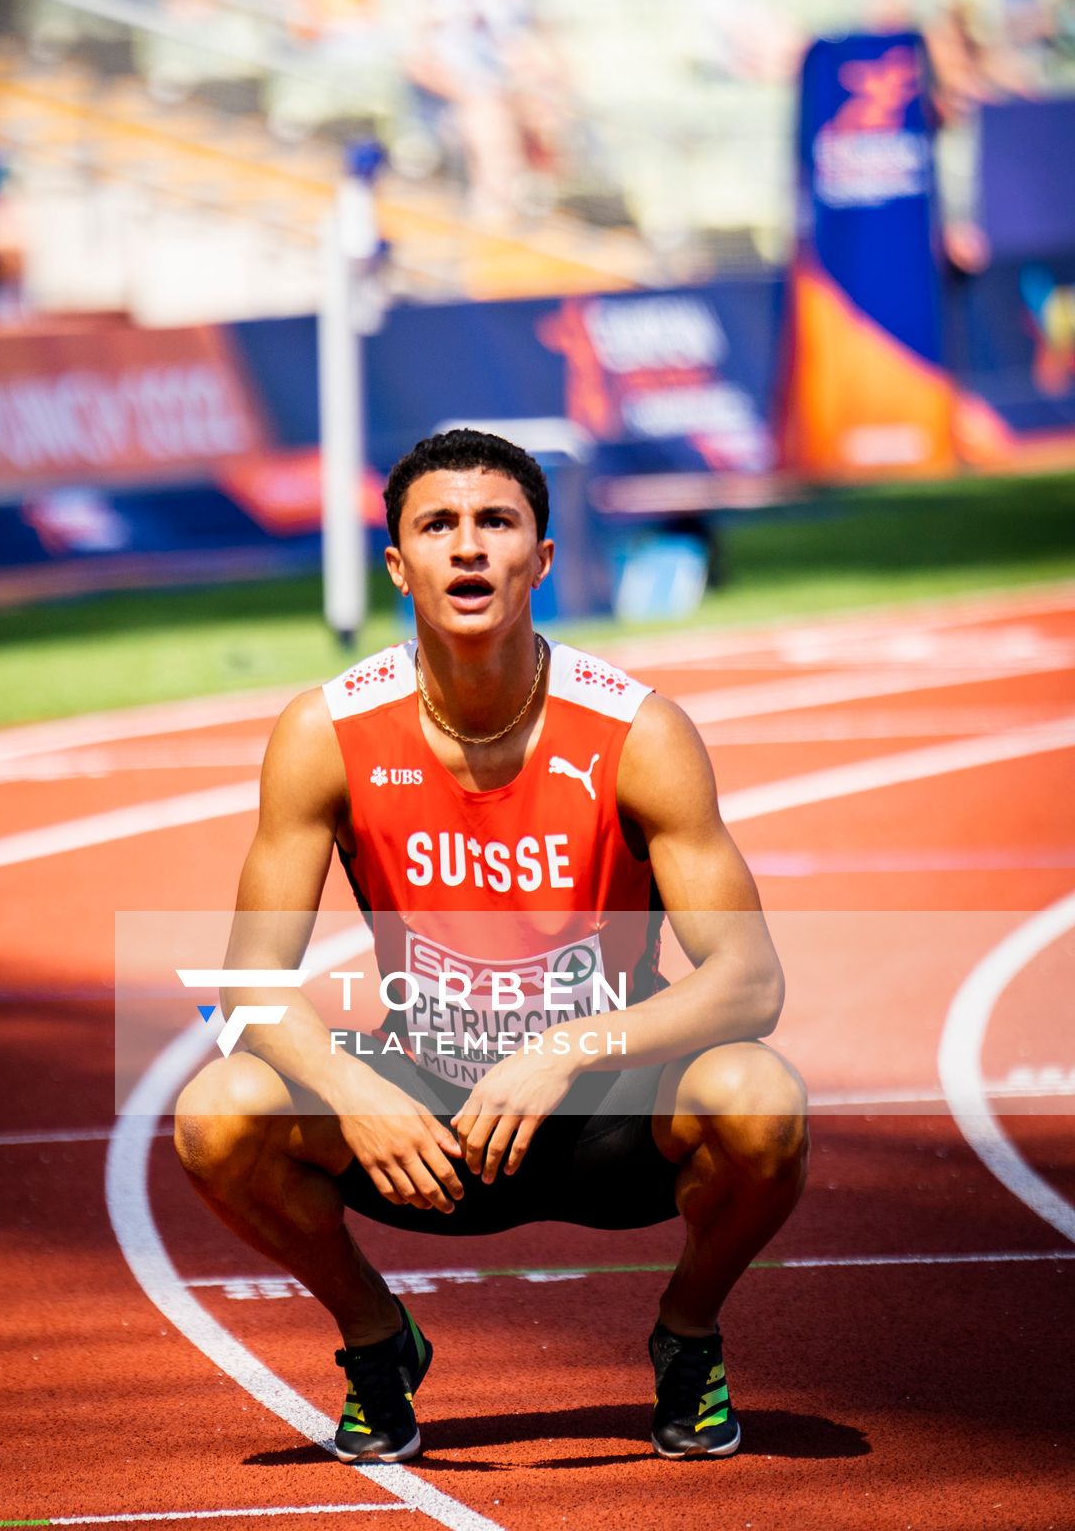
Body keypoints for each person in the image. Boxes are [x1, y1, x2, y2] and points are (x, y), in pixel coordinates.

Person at [175, 428, 809, 1465]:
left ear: (542, 559)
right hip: (425, 1118)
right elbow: (245, 982)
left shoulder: (638, 734)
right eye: (437, 525)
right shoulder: (323, 733)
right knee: (215, 1117)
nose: (466, 548)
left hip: (607, 1111)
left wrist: (570, 1048)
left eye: (495, 523)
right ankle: (377, 1342)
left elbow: (749, 979)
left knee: (761, 1100)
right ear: (398, 564)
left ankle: (687, 1336)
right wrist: (351, 1085)